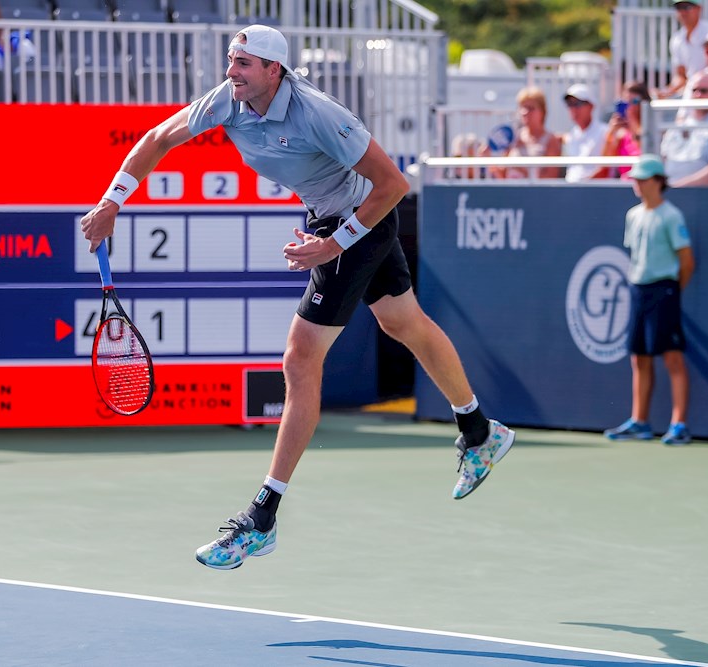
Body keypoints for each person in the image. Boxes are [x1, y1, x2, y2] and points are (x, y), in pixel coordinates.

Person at [79, 25, 516, 571]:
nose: (232, 71)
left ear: (274, 71)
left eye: (244, 63)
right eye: (231, 60)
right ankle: (479, 430)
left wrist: (332, 243)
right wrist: (112, 201)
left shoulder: (319, 114)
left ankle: (262, 518)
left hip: (359, 223)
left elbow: (393, 186)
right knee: (404, 323)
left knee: (299, 358)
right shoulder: (229, 101)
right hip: (330, 220)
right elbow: (159, 139)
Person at [604, 155, 694, 446]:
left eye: (642, 179)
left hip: (664, 290)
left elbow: (686, 261)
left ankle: (679, 424)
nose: (637, 184)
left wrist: (672, 290)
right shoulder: (633, 215)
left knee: (672, 357)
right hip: (638, 290)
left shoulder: (672, 216)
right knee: (638, 357)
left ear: (658, 181)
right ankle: (639, 421)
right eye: (635, 179)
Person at [660, 71, 708, 187]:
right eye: (694, 90)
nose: (698, 95)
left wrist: (677, 188)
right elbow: (663, 159)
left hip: (705, 199)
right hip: (671, 196)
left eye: (704, 91)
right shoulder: (676, 127)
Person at [489, 86, 562, 179]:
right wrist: (489, 160)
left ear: (542, 111)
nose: (525, 112)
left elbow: (551, 178)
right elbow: (503, 176)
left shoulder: (551, 140)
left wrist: (523, 171)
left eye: (531, 108)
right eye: (522, 107)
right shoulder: (514, 137)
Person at [658, 0, 708, 99]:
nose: (682, 12)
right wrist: (667, 91)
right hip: (693, 93)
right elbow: (681, 76)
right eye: (679, 8)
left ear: (699, 9)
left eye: (686, 7)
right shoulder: (677, 39)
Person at [601, 81, 650, 179]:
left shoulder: (652, 128)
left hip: (645, 183)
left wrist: (633, 123)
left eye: (635, 101)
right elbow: (605, 161)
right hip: (625, 186)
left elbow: (646, 150)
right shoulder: (621, 134)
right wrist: (611, 131)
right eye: (625, 102)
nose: (630, 106)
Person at [561, 83, 608, 181]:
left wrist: (583, 186)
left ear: (591, 106)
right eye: (570, 104)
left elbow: (605, 169)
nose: (573, 109)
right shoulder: (572, 134)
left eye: (577, 104)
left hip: (594, 191)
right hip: (572, 190)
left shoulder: (605, 132)